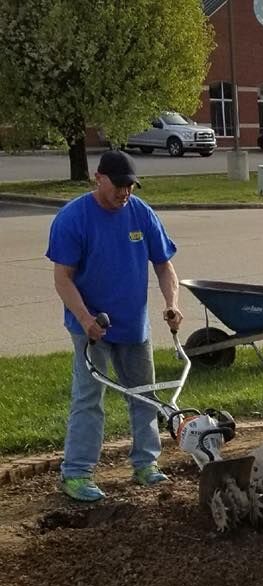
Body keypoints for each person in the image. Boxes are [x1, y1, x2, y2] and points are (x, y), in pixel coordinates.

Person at [47, 149, 183, 502]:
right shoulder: (73, 218)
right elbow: (63, 278)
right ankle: (76, 473)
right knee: (89, 398)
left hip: (134, 325)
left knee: (145, 396)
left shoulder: (141, 213)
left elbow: (165, 266)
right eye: (119, 186)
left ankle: (145, 465)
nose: (125, 193)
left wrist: (172, 304)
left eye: (131, 186)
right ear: (99, 178)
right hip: (91, 327)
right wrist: (85, 320)